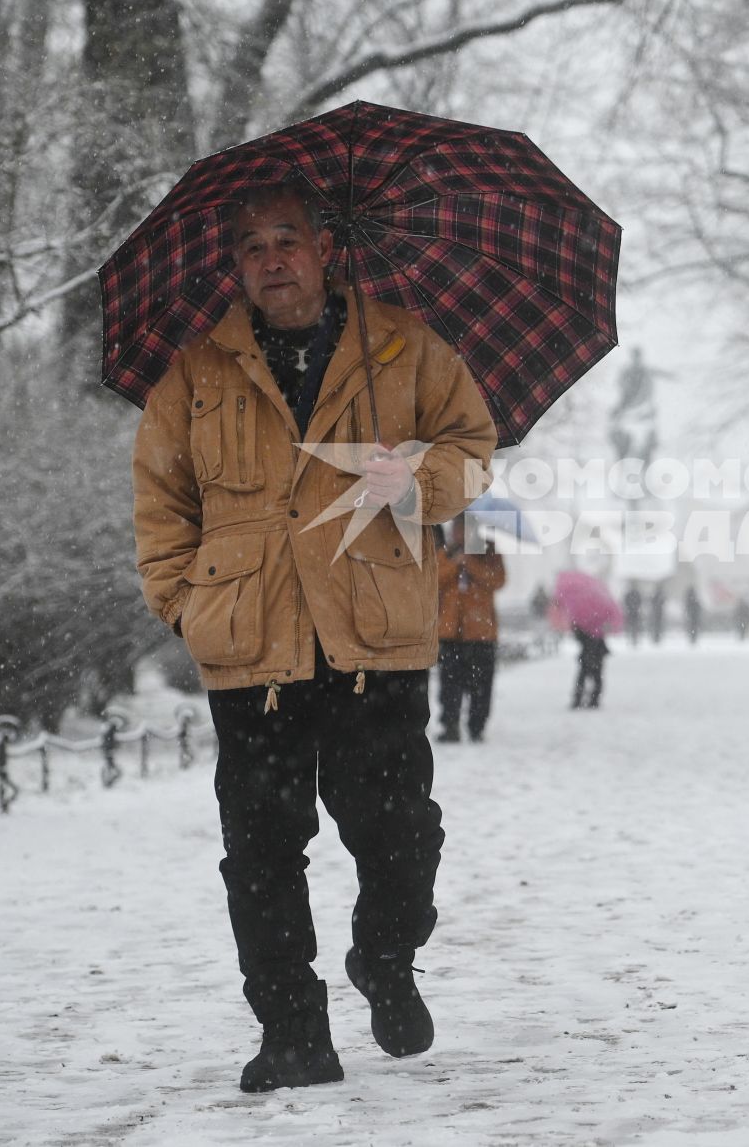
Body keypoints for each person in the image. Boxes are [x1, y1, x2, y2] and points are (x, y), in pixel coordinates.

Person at [132, 180, 498, 1093]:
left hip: (374, 634)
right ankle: (293, 1030)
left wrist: (411, 476)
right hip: (251, 645)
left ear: (326, 247)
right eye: (251, 246)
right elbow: (161, 505)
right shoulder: (196, 373)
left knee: (400, 833)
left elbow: (473, 446)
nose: (271, 260)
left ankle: (383, 954)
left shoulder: (403, 346)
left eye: (286, 239)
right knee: (259, 848)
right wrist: (186, 604)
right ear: (235, 265)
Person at [435, 516, 505, 743]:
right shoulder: (444, 553)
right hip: (450, 631)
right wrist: (456, 562)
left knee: (481, 686)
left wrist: (471, 563)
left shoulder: (489, 552)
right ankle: (450, 725)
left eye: (464, 529)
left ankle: (477, 726)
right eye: (456, 528)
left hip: (481, 633)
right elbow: (434, 580)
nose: (459, 534)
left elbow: (497, 580)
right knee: (449, 685)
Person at [622, 584, 644, 648]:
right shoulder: (636, 594)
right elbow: (640, 601)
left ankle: (632, 638)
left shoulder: (629, 594)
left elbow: (625, 601)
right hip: (634, 612)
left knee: (632, 626)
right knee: (634, 626)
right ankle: (634, 639)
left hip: (631, 612)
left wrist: (630, 607)